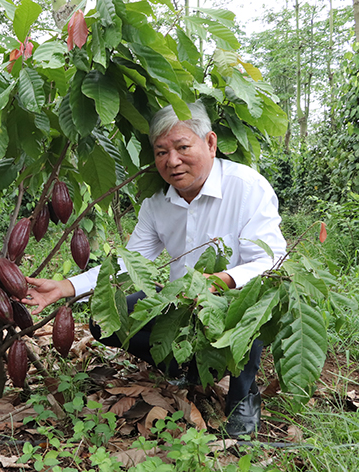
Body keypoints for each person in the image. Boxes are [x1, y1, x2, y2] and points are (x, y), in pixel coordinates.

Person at [23, 102, 286, 438]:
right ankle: (185, 367)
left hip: (231, 303)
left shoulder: (246, 188)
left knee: (251, 304)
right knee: (106, 320)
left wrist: (222, 280)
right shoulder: (157, 204)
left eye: (182, 147)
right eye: (161, 151)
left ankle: (242, 398)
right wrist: (65, 287)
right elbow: (125, 264)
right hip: (180, 305)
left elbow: (270, 261)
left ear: (210, 143)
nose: (172, 161)